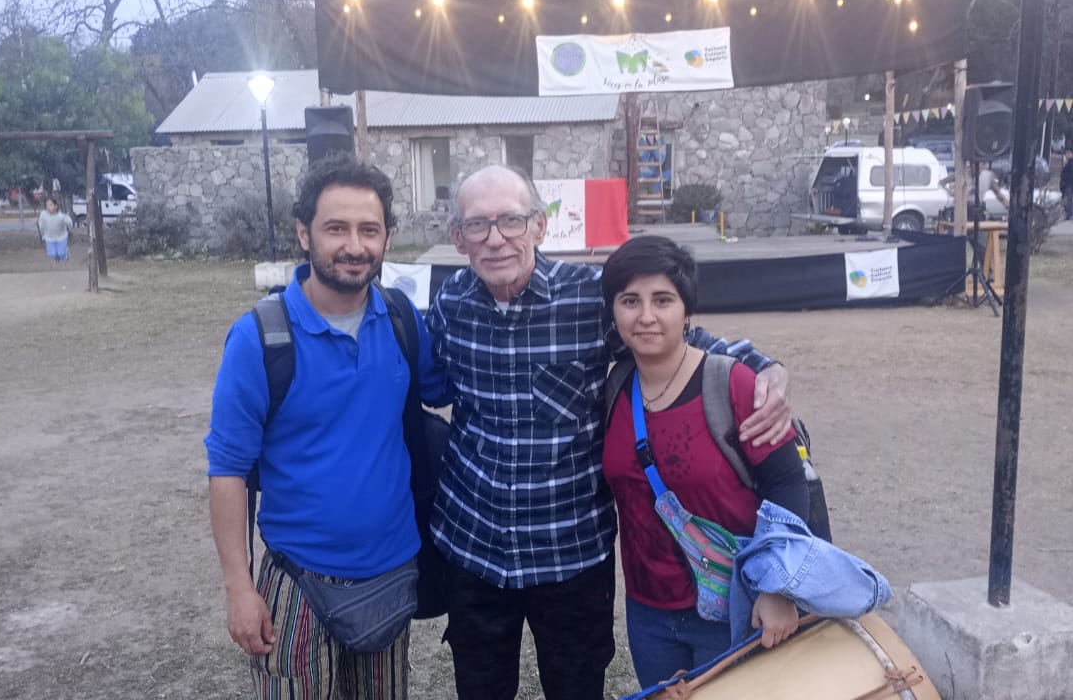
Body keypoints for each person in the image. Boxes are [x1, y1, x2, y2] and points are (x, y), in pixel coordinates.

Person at [425, 164, 793, 700]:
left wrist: (769, 369)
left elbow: (680, 341)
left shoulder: (591, 299)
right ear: (459, 238)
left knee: (575, 688)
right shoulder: (450, 306)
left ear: (539, 227)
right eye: (478, 225)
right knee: (479, 688)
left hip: (570, 553)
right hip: (474, 548)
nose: (496, 238)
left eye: (510, 220)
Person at [205, 155, 447, 700]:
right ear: (303, 233)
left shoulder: (403, 319)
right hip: (299, 582)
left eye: (370, 229)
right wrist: (239, 588)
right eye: (336, 228)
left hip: (392, 571)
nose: (354, 245)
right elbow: (227, 472)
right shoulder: (260, 339)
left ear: (387, 238)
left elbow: (455, 386)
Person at [598, 235, 810, 688]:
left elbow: (789, 485)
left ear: (686, 310)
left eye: (663, 300)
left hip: (737, 609)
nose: (646, 316)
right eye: (630, 300)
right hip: (648, 612)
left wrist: (778, 589)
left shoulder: (732, 384)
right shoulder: (615, 389)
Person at [37, 198, 74, 263]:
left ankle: (65, 253)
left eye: (50, 205)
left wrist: (70, 228)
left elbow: (69, 223)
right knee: (52, 253)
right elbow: (41, 225)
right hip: (49, 237)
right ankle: (57, 258)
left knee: (61, 253)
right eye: (47, 205)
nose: (48, 207)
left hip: (61, 237)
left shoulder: (61, 216)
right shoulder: (43, 214)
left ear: (56, 206)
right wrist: (43, 234)